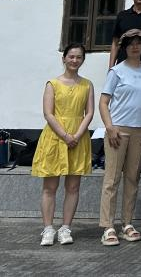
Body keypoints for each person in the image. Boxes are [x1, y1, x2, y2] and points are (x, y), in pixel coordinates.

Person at [32, 43, 94, 247]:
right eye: (71, 56)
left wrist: (77, 135)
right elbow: (48, 113)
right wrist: (66, 135)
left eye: (79, 57)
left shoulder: (87, 85)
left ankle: (66, 227)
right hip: (55, 137)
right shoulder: (52, 84)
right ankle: (48, 228)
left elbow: (89, 113)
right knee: (50, 187)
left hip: (78, 137)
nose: (75, 60)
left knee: (73, 186)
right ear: (64, 58)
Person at [98, 29, 141, 246]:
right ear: (124, 48)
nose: (135, 47)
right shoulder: (116, 71)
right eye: (130, 44)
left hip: (140, 130)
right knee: (112, 179)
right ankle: (108, 226)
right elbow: (104, 102)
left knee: (133, 178)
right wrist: (109, 126)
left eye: (138, 43)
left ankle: (127, 223)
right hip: (118, 130)